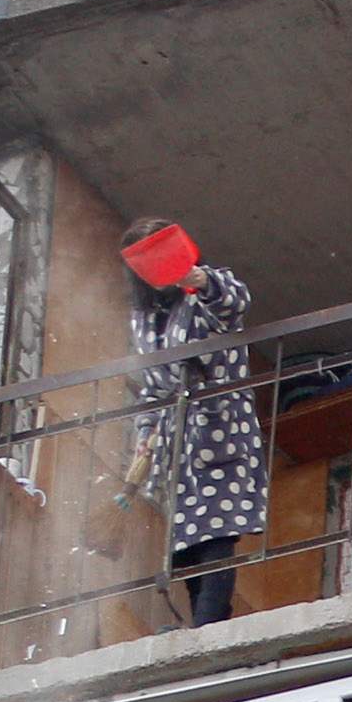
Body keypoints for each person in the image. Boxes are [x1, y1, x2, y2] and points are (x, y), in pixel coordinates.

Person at [122, 218, 268, 627]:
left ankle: (209, 625)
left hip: (218, 425)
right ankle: (202, 621)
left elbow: (234, 303)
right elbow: (152, 387)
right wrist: (146, 433)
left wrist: (197, 278)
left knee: (215, 532)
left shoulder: (207, 290)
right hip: (174, 440)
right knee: (185, 543)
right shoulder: (146, 319)